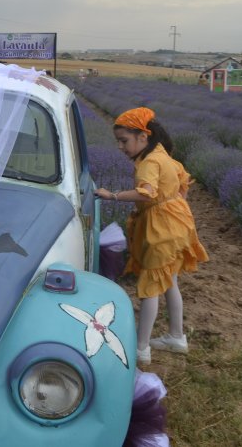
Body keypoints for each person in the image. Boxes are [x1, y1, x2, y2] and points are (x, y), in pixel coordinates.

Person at [95, 107, 208, 366]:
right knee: (169, 282)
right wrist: (172, 205)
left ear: (143, 137)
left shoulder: (149, 163)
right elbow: (183, 183)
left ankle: (141, 348)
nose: (121, 147)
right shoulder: (163, 156)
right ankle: (176, 337)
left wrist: (112, 196)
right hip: (177, 223)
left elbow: (145, 192)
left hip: (161, 228)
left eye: (124, 141)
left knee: (149, 287)